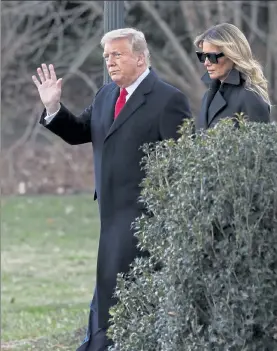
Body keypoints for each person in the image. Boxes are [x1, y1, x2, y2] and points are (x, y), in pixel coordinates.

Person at [32, 28, 191, 351]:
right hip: (110, 215)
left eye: (117, 54)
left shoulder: (168, 99)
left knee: (127, 290)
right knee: (109, 287)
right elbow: (79, 132)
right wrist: (53, 108)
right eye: (106, 56)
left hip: (146, 219)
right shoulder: (106, 95)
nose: (110, 62)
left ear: (140, 57)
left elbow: (182, 163)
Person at [193, 23, 270, 131]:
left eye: (211, 56)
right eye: (203, 56)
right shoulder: (208, 95)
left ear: (232, 54)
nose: (206, 63)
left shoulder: (250, 97)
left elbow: (259, 146)